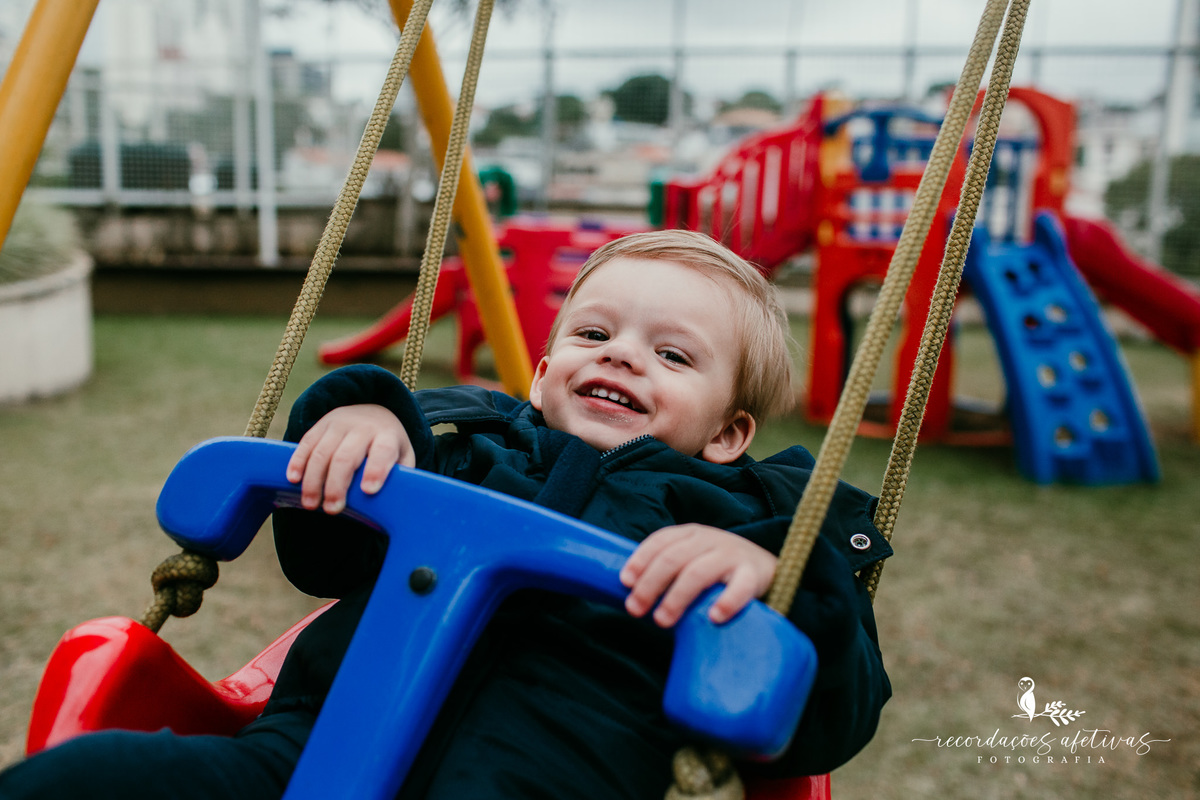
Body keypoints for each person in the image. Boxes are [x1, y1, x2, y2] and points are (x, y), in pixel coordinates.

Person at [0, 229, 891, 799]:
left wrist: (776, 583)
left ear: (729, 433)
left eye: (672, 355)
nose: (621, 356)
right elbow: (322, 559)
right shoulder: (463, 446)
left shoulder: (742, 526)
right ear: (541, 374)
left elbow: (827, 724)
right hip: (304, 755)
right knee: (87, 779)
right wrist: (357, 423)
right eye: (593, 334)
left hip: (544, 780)